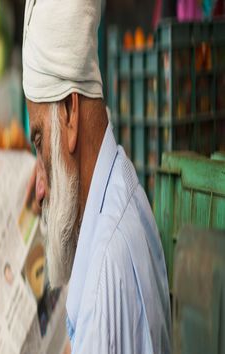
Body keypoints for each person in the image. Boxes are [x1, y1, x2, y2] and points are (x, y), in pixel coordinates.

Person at [22, 0, 172, 353]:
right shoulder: (120, 182)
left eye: (40, 140)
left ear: (71, 114)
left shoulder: (107, 267)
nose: (39, 189)